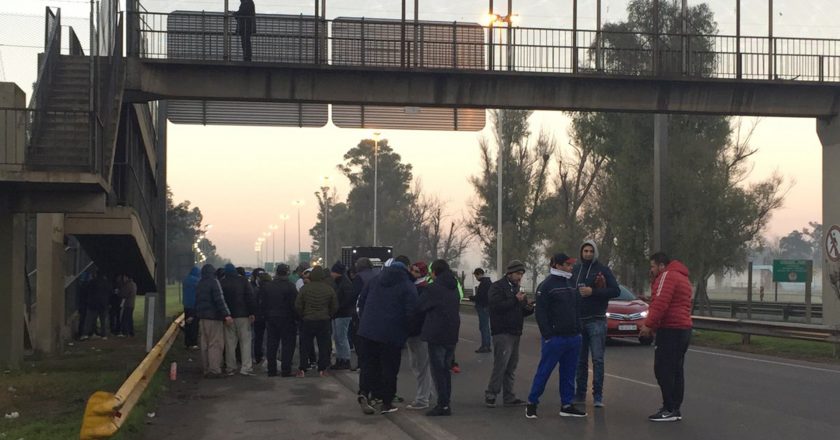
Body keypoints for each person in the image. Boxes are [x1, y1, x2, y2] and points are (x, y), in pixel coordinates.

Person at [526, 253, 586, 419]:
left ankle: (566, 405)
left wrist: (578, 329)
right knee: (544, 371)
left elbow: (577, 308)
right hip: (555, 338)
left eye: (570, 264)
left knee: (569, 373)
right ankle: (532, 403)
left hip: (573, 337)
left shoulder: (571, 283)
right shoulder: (546, 286)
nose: (570, 267)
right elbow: (541, 313)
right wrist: (547, 335)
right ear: (558, 265)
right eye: (567, 264)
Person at [356, 256, 418, 415]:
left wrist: (365, 321)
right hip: (391, 334)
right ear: (406, 268)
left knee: (369, 365)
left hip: (367, 331)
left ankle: (364, 393)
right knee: (389, 369)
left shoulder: (374, 280)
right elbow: (412, 312)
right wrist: (408, 331)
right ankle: (386, 403)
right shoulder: (407, 285)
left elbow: (361, 302)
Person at [640, 252, 693, 422]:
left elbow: (660, 303)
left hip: (671, 329)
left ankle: (669, 408)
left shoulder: (667, 276)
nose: (652, 270)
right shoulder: (682, 276)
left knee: (663, 369)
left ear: (661, 265)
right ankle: (674, 408)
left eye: (653, 266)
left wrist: (648, 325)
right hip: (683, 329)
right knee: (676, 369)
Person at [572, 240, 620, 408]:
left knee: (598, 360)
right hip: (579, 321)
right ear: (581, 252)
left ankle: (598, 395)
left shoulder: (603, 270)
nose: (588, 254)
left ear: (595, 253)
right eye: (585, 251)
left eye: (591, 251)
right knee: (580, 361)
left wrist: (594, 291)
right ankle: (579, 394)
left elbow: (615, 290)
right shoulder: (576, 270)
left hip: (597, 320)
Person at [485, 260, 533, 408]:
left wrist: (529, 307)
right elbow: (496, 307)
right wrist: (515, 299)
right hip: (502, 331)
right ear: (510, 273)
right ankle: (491, 394)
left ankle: (509, 396)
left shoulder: (518, 289)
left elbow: (520, 310)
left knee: (511, 366)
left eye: (521, 274)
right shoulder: (497, 287)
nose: (519, 277)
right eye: (518, 274)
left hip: (515, 331)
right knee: (501, 364)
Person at [418, 259, 461, 417]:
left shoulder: (433, 288)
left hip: (436, 334)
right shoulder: (454, 286)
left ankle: (442, 405)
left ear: (435, 272)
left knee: (438, 372)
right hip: (451, 333)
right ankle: (446, 402)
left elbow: (420, 306)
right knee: (446, 370)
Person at [295, 266, 338, 377]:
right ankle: (322, 369)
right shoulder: (328, 289)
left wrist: (303, 315)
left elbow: (298, 305)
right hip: (323, 321)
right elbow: (334, 306)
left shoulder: (305, 288)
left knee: (305, 345)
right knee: (323, 346)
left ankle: (303, 368)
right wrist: (329, 315)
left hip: (308, 320)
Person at [257, 264, 298, 377]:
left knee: (272, 345)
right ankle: (286, 370)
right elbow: (295, 305)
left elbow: (262, 304)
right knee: (288, 345)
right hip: (287, 319)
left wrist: (265, 316)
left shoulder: (268, 286)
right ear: (287, 273)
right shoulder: (291, 286)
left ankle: (272, 370)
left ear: (276, 272)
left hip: (271, 319)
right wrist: (297, 318)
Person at [195, 264, 233, 378]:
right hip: (214, 318)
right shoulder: (214, 282)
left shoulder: (200, 283)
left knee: (204, 344)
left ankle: (206, 368)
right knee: (215, 344)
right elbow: (219, 299)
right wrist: (226, 315)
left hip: (202, 318)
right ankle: (214, 369)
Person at [220, 263, 257, 376]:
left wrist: (224, 315)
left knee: (230, 343)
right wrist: (252, 312)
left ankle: (230, 367)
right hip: (243, 316)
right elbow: (250, 297)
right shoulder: (243, 281)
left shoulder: (222, 283)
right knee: (245, 342)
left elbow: (220, 300)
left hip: (229, 317)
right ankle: (246, 367)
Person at [405, 261, 433, 410]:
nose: (413, 273)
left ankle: (423, 398)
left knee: (421, 366)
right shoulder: (416, 287)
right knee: (416, 364)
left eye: (416, 271)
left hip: (419, 332)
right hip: (414, 331)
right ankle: (426, 393)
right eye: (412, 270)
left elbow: (418, 312)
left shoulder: (422, 289)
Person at [329, 261, 355, 370]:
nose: (331, 274)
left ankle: (345, 359)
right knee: (337, 337)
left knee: (342, 337)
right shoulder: (339, 282)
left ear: (337, 272)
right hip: (337, 314)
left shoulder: (345, 283)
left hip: (343, 314)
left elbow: (347, 300)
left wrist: (337, 308)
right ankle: (340, 359)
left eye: (332, 272)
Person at [81, 272, 112, 340]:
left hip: (93, 304)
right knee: (103, 321)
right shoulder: (106, 283)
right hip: (103, 304)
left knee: (89, 320)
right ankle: (104, 335)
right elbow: (110, 292)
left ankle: (86, 334)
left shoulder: (92, 282)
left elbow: (86, 290)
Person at [470, 268, 493, 353]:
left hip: (483, 307)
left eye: (476, 275)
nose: (476, 278)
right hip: (487, 307)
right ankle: (487, 345)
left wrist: (472, 298)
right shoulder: (488, 282)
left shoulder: (484, 283)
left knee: (484, 327)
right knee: (485, 327)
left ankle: (485, 346)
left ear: (479, 274)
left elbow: (481, 297)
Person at [250, 268, 267, 367]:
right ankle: (257, 356)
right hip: (258, 317)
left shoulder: (254, 288)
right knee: (257, 338)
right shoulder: (253, 288)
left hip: (260, 316)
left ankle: (259, 356)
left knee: (260, 338)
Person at [182, 266, 201, 349]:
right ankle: (193, 343)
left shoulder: (186, 280)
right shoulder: (197, 281)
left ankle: (187, 342)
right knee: (194, 325)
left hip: (186, 306)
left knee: (188, 324)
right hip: (194, 306)